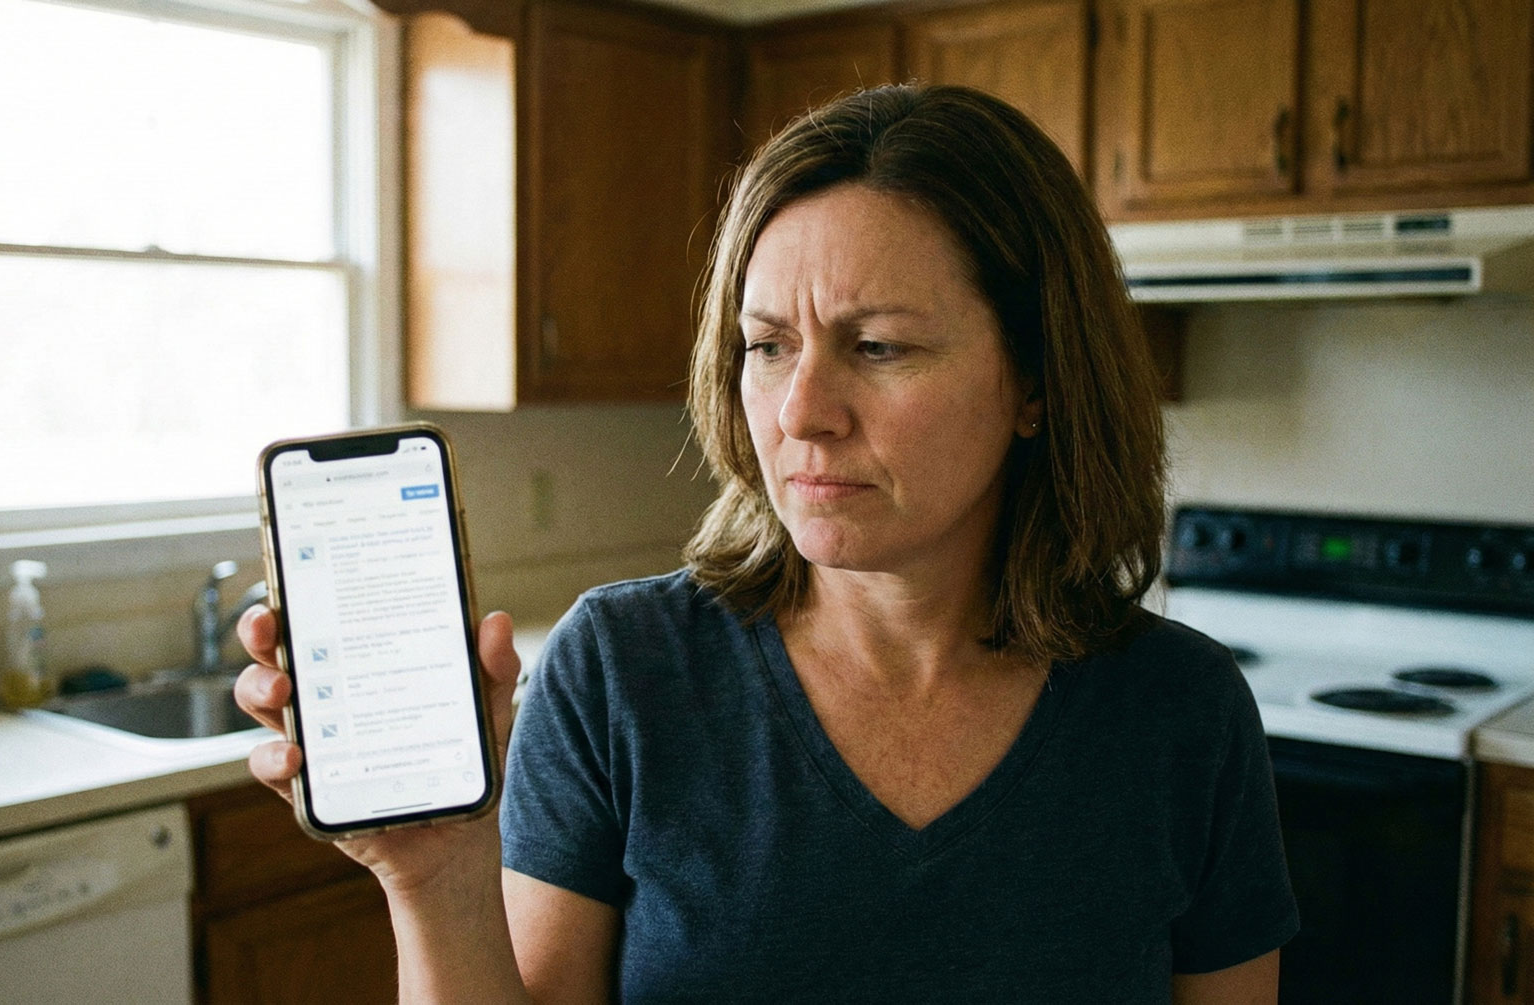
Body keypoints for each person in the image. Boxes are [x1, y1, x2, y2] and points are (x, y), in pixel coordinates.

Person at [235, 84, 1298, 1003]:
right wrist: (432, 879)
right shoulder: (622, 672)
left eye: (878, 346)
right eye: (767, 345)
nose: (800, 412)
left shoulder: (1182, 712)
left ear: (1036, 381)